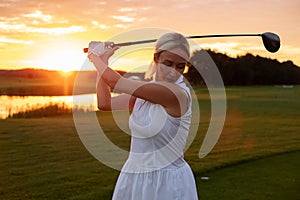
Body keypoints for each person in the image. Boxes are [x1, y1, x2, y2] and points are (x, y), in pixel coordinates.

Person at [88, 32, 198, 200]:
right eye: (167, 64)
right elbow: (104, 103)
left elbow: (115, 82)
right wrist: (103, 60)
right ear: (156, 59)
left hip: (166, 182)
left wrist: (94, 56)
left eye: (180, 66)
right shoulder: (146, 92)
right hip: (135, 175)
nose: (173, 72)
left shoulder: (176, 93)